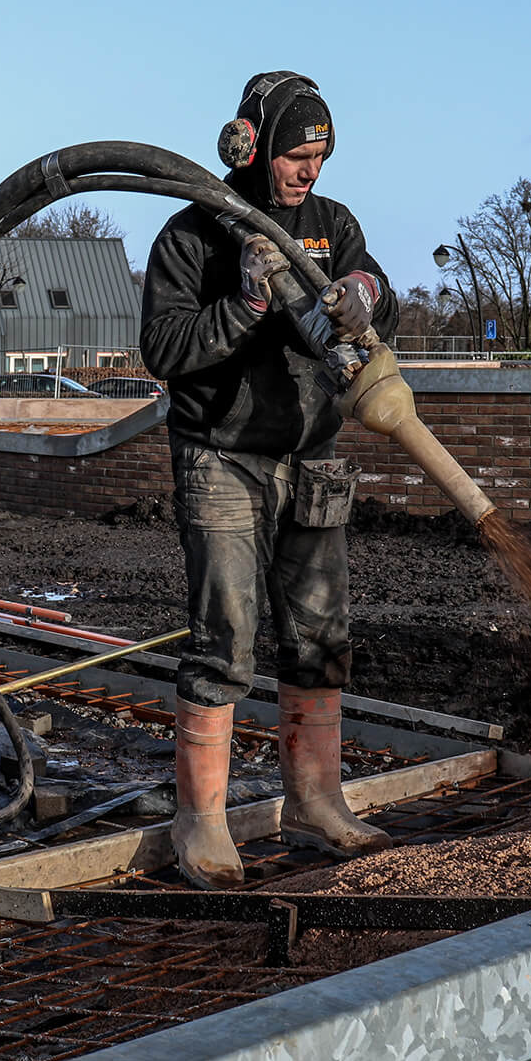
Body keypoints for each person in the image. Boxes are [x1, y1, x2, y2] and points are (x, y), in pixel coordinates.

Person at [140, 71, 399, 888]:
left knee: (321, 635)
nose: (308, 171)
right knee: (226, 635)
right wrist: (244, 307)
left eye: (319, 156)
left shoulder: (331, 224)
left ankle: (316, 800)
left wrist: (366, 293)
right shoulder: (194, 236)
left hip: (312, 455)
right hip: (220, 455)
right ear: (249, 144)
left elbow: (373, 292)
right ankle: (202, 820)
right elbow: (165, 350)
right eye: (295, 154)